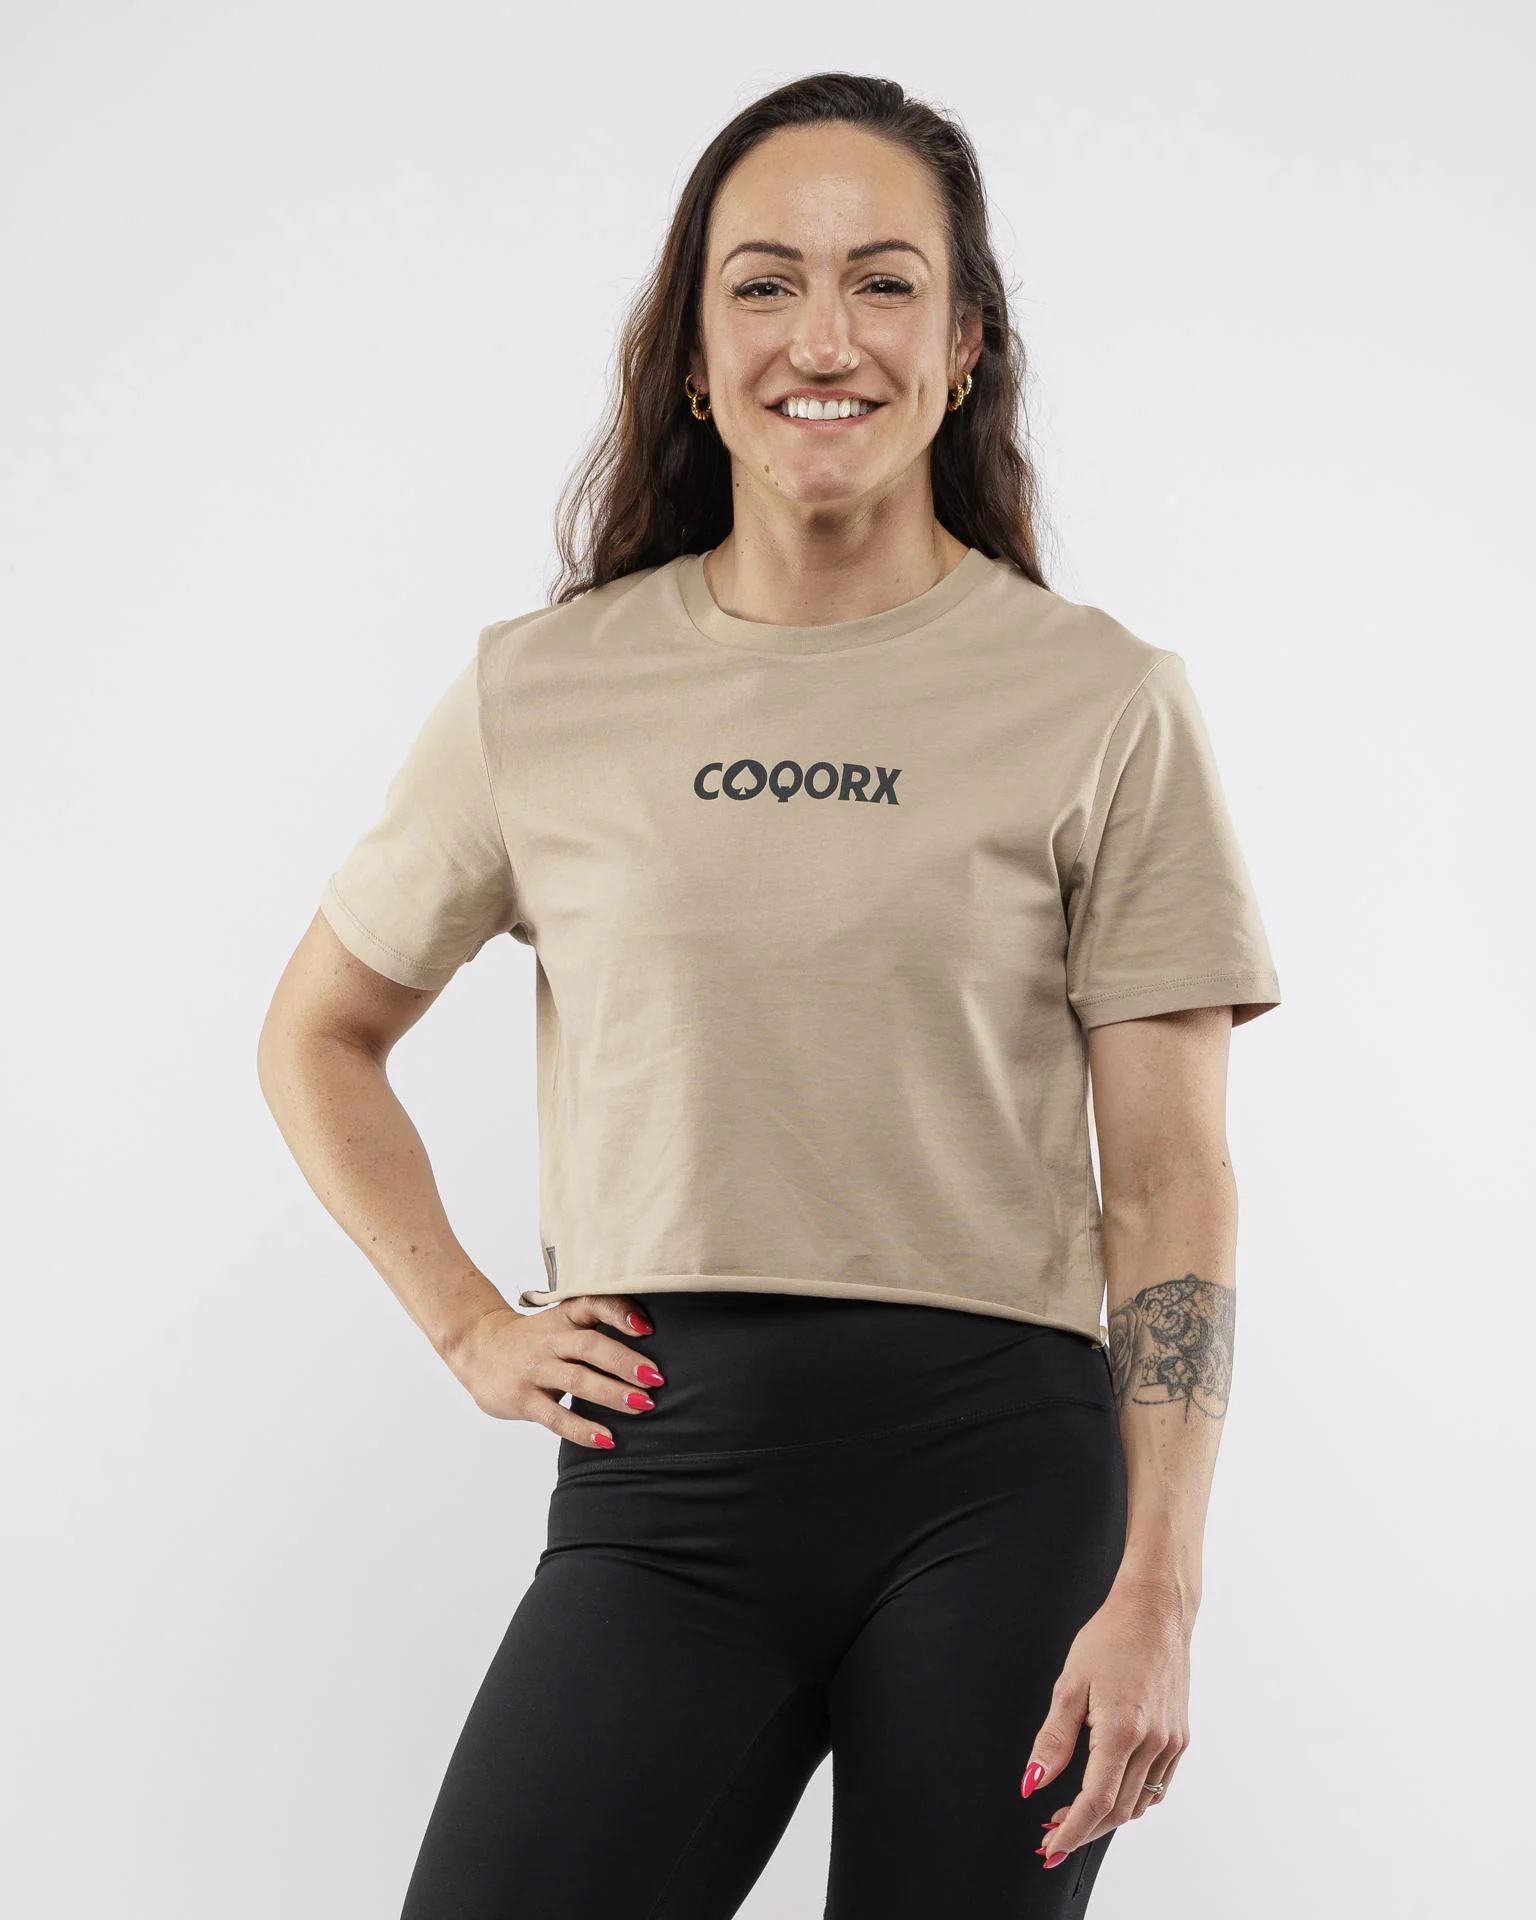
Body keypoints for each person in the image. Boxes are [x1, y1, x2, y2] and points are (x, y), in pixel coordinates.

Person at [257, 71, 1281, 1918]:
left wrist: (1163, 1588)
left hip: (1004, 1487)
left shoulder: (1103, 701)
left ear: (963, 348)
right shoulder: (543, 693)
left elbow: (1170, 1178)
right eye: (765, 284)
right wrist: (472, 1326)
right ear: (690, 350)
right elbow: (319, 1036)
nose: (825, 337)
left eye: (885, 283)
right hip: (667, 1477)